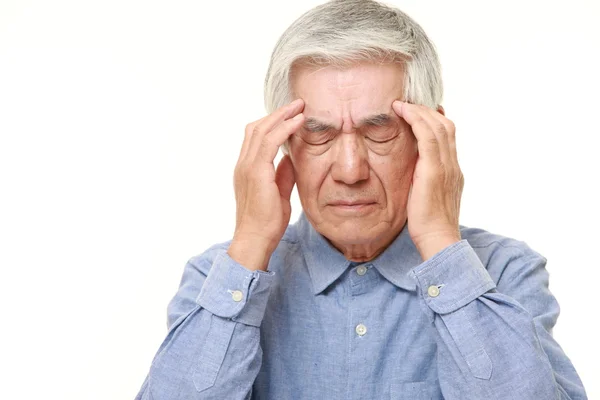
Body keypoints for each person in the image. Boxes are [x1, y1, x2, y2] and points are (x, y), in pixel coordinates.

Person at [134, 1, 587, 398]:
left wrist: (438, 239)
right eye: (317, 132)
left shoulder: (505, 271)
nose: (350, 170)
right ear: (285, 145)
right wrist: (251, 240)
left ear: (432, 139)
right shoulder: (218, 279)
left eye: (378, 130)